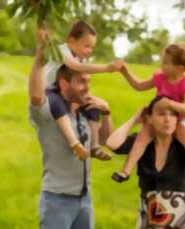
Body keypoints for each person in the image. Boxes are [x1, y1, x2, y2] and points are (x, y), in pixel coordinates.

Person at [29, 27, 114, 229]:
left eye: (89, 81)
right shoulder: (48, 110)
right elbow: (35, 95)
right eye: (81, 81)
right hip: (57, 202)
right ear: (64, 84)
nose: (87, 87)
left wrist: (107, 112)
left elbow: (107, 141)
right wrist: (40, 53)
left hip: (84, 200)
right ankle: (74, 143)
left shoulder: (84, 110)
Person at [106, 96, 185, 229]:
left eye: (173, 114)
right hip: (148, 217)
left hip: (181, 220)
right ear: (150, 118)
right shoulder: (140, 145)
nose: (167, 119)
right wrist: (135, 119)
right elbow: (112, 144)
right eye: (161, 114)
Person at [112, 44, 185, 191]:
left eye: (166, 62)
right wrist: (125, 72)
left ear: (179, 68)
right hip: (157, 119)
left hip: (178, 120)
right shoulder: (160, 77)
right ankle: (126, 171)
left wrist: (170, 104)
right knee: (142, 137)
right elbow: (139, 86)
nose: (162, 65)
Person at [41, 20, 123, 160]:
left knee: (92, 106)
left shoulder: (81, 59)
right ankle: (74, 143)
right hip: (51, 90)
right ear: (72, 40)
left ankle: (95, 146)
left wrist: (87, 98)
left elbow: (82, 80)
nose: (89, 51)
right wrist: (106, 68)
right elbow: (75, 67)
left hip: (68, 93)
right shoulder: (61, 51)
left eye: (92, 47)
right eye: (86, 46)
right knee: (58, 105)